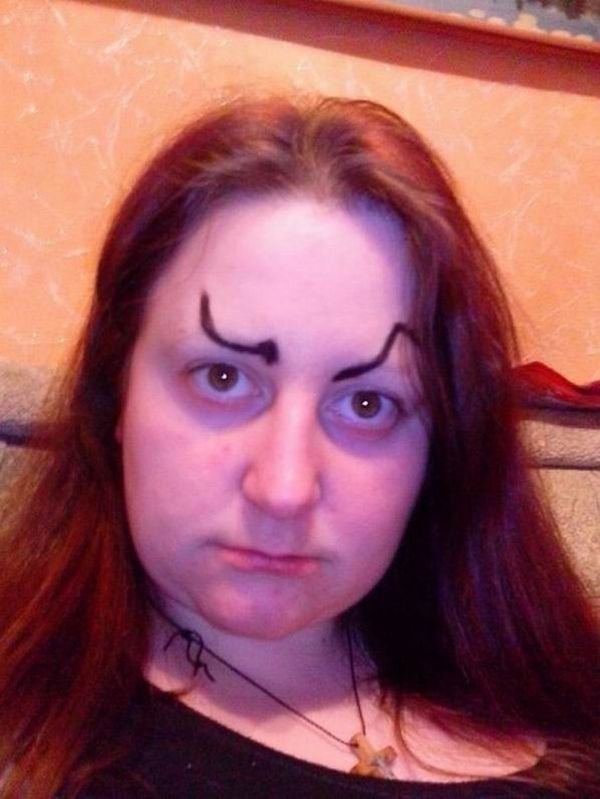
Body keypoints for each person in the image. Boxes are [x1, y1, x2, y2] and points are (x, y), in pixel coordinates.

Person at [0, 96, 597, 799]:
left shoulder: (550, 694)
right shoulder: (32, 734)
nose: (283, 488)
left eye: (368, 403)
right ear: (116, 389)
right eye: (222, 378)